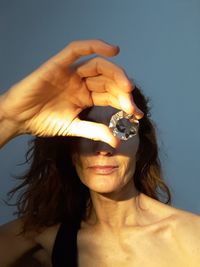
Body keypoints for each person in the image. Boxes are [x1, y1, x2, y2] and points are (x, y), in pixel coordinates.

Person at [0, 39, 199, 267]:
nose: (104, 147)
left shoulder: (191, 237)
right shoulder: (42, 238)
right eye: (88, 130)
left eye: (121, 128)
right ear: (69, 148)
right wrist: (8, 118)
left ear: (140, 144)